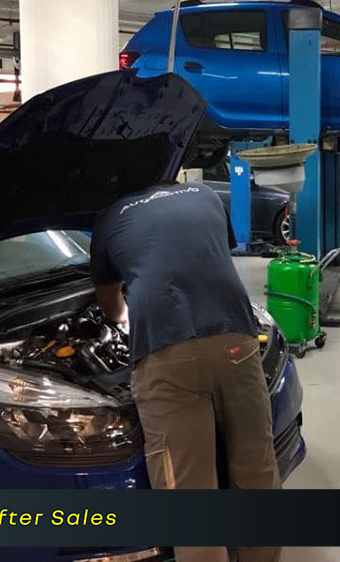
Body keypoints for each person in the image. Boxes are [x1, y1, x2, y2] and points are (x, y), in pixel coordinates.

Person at [90, 179, 281, 562]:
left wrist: (125, 320)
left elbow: (110, 300)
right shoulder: (205, 195)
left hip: (167, 354)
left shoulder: (110, 218)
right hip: (237, 341)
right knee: (256, 468)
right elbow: (205, 255)